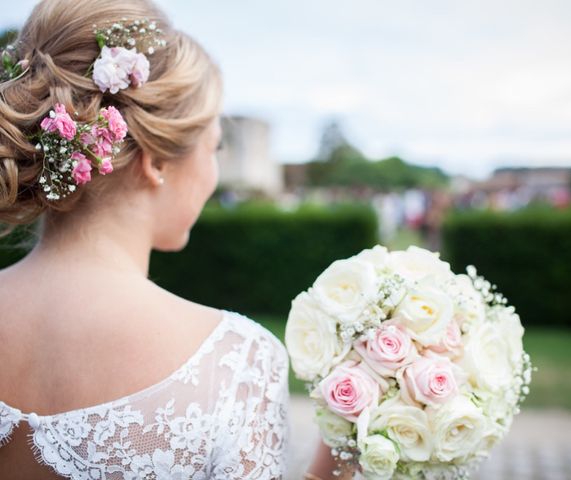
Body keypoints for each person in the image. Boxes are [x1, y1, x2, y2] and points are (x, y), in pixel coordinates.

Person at [0, 0, 353, 478]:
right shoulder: (235, 364)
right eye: (215, 147)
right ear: (157, 161)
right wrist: (340, 456)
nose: (213, 171)